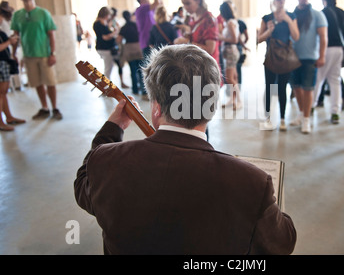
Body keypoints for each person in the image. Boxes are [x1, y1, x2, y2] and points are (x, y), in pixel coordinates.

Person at [74, 44, 296, 255]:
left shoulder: (105, 161)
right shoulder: (252, 182)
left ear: (156, 108)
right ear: (212, 106)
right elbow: (282, 243)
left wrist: (112, 128)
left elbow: (84, 188)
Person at [11, 0, 63, 120]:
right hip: (29, 55)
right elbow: (16, 36)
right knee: (37, 82)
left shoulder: (43, 13)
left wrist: (53, 53)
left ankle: (55, 108)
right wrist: (13, 54)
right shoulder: (18, 15)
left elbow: (51, 35)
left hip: (44, 54)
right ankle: (44, 108)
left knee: (50, 82)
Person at [258, 0, 300, 131]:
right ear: (274, 1)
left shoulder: (291, 16)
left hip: (285, 58)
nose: (281, 0)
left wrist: (288, 20)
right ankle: (268, 118)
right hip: (270, 57)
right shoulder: (267, 18)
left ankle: (282, 119)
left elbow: (296, 36)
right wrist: (269, 32)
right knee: (269, 88)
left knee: (282, 88)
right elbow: (259, 39)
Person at [291, 0, 328, 134]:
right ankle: (301, 113)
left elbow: (323, 37)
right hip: (293, 58)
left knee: (308, 88)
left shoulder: (317, 15)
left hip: (310, 58)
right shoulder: (292, 15)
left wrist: (322, 55)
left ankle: (306, 119)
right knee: (296, 87)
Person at [313, 0, 344, 125]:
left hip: (326, 49)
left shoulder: (322, 13)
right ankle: (335, 113)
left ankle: (311, 106)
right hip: (340, 49)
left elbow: (319, 35)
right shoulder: (342, 13)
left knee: (318, 79)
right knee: (335, 81)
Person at [175, 0, 221, 73]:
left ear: (198, 0)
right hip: (195, 66)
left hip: (207, 69)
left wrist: (186, 42)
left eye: (188, 3)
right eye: (183, 4)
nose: (185, 7)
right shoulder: (192, 18)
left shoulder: (209, 20)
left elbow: (210, 49)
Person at [0, 3, 26, 131]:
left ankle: (8, 117)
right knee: (1, 93)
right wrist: (9, 42)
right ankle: (1, 122)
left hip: (4, 62)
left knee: (3, 93)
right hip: (0, 63)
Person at [135, 0, 162, 97]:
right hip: (146, 43)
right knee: (147, 68)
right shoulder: (141, 9)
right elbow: (156, 3)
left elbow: (159, 3)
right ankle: (145, 92)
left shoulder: (149, 11)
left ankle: (152, 92)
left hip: (151, 42)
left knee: (153, 68)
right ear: (141, 0)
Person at [219, 1, 242, 110]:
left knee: (229, 79)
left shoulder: (229, 23)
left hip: (230, 51)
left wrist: (221, 37)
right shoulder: (233, 21)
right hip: (231, 51)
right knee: (233, 77)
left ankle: (239, 100)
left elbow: (234, 39)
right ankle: (232, 100)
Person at [116, 10, 143, 95]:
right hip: (138, 48)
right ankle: (144, 90)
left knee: (132, 70)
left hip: (129, 50)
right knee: (141, 70)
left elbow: (118, 40)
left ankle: (135, 89)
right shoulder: (136, 25)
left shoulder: (123, 28)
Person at [93, 7, 118, 81]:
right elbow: (105, 37)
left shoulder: (103, 23)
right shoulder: (99, 24)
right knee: (108, 69)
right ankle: (106, 87)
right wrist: (114, 33)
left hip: (104, 47)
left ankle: (107, 85)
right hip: (104, 48)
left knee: (109, 67)